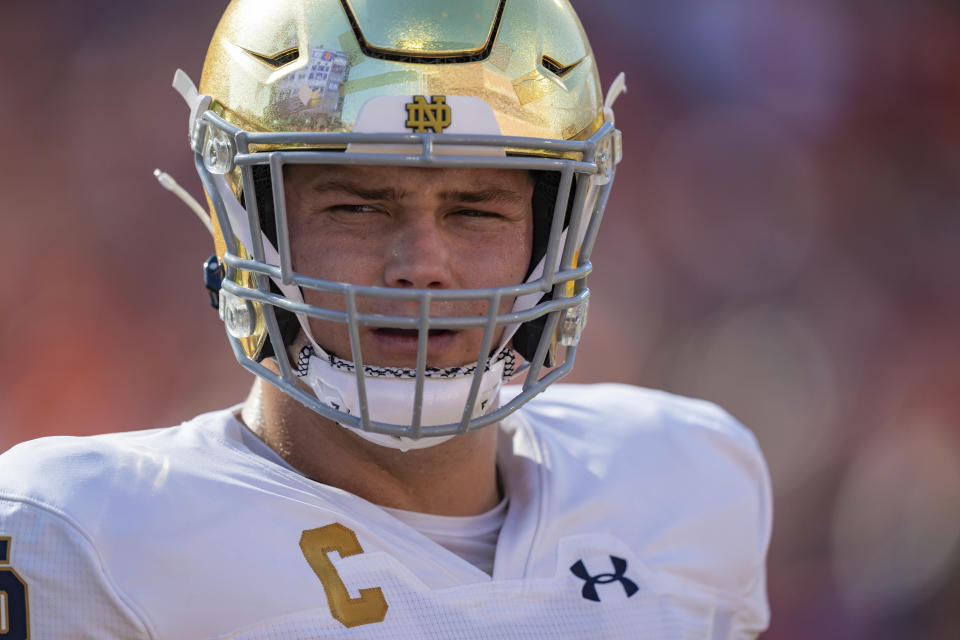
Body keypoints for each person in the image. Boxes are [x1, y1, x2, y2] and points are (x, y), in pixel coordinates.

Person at [0, 0, 771, 637]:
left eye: (476, 209)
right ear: (251, 222)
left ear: (552, 235)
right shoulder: (82, 535)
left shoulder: (690, 479)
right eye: (357, 206)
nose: (423, 262)